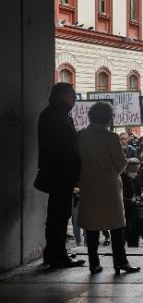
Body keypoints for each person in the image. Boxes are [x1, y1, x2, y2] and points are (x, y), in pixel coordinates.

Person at [76, 102, 139, 275]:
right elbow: (121, 164)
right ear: (108, 118)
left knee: (92, 225)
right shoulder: (111, 137)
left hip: (88, 184)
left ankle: (93, 263)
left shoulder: (81, 135)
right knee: (116, 226)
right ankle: (120, 261)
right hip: (109, 186)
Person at [35, 83, 85, 268]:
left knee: (58, 214)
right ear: (63, 96)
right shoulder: (57, 116)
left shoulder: (55, 114)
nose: (74, 100)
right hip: (60, 172)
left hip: (59, 171)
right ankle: (57, 255)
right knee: (59, 214)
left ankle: (54, 252)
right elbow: (65, 145)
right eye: (72, 96)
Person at [121, 158, 143, 248]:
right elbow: (117, 197)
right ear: (127, 168)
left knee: (134, 240)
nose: (135, 173)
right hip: (124, 212)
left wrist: (142, 195)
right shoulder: (121, 179)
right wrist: (131, 200)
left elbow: (140, 189)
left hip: (135, 214)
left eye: (137, 170)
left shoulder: (135, 178)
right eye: (133, 170)